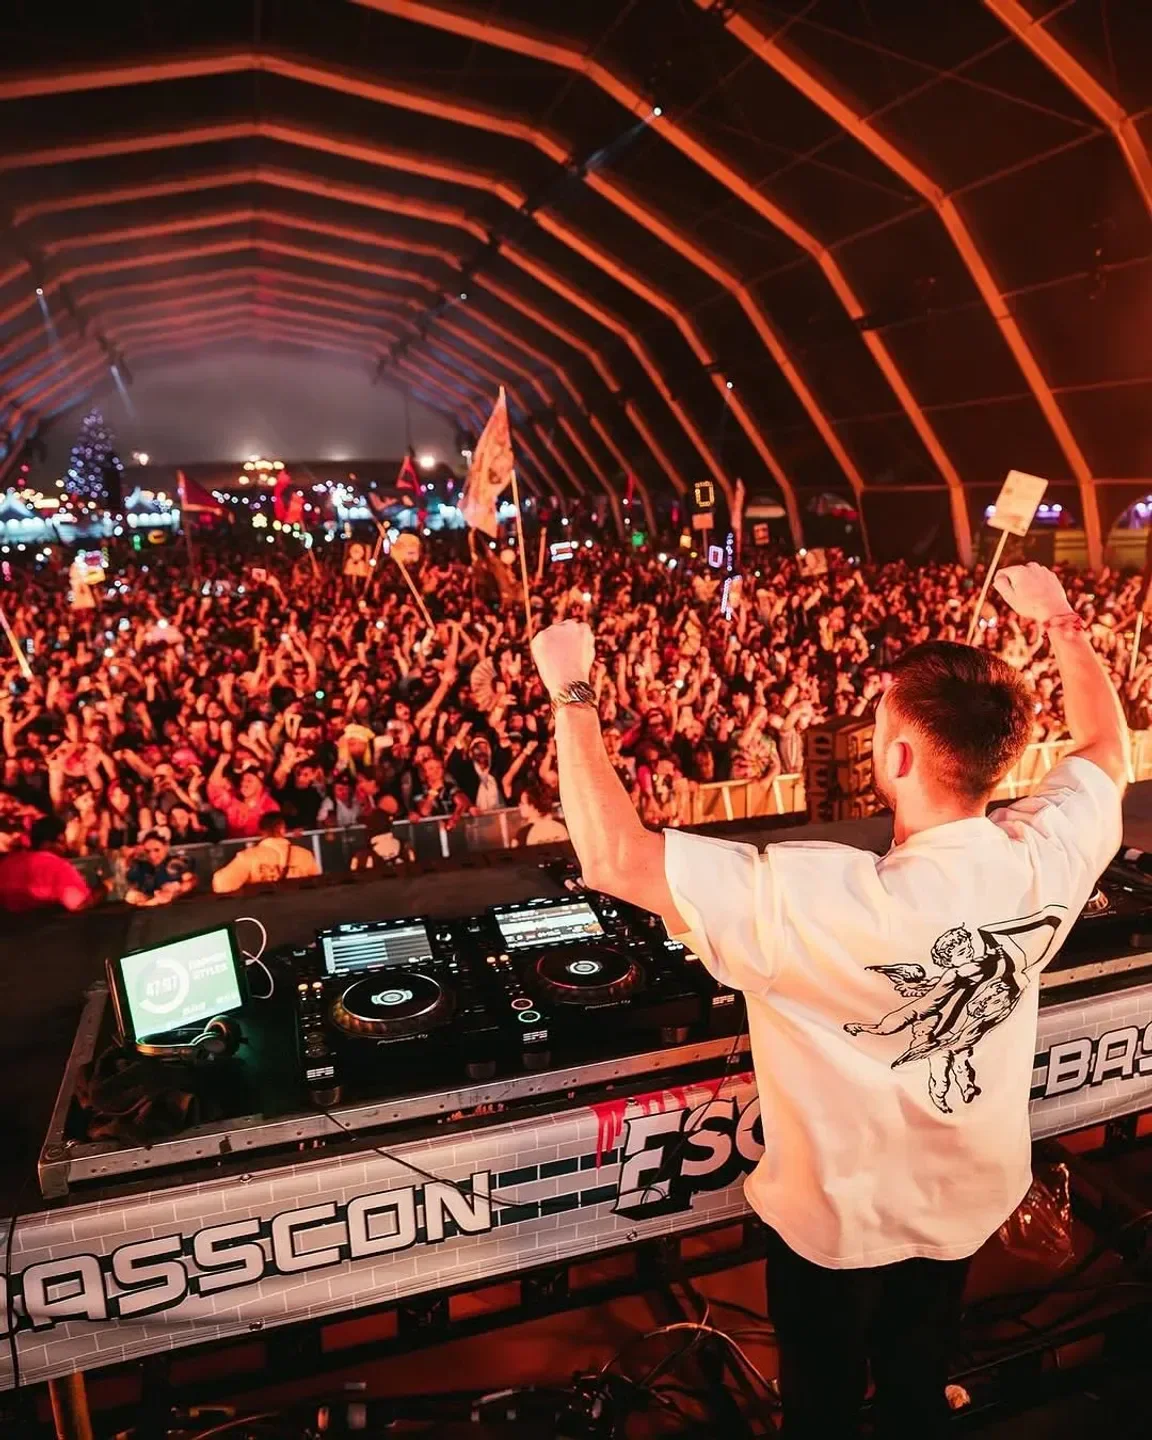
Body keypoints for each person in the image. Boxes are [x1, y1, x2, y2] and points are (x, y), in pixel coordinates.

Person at [530, 562, 1126, 1439]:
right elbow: (1107, 750)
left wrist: (570, 688)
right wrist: (1061, 620)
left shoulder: (817, 898)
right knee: (917, 1382)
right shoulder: (1048, 856)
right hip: (966, 1200)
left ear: (898, 756)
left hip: (836, 1231)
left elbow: (615, 858)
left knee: (822, 1404)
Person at [0, 815, 102, 913]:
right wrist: (105, 888)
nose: (65, 847)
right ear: (59, 838)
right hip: (48, 924)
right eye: (63, 841)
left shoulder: (6, 864)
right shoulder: (56, 865)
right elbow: (79, 905)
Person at [211, 810, 321, 892]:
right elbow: (317, 886)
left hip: (263, 912)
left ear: (261, 832)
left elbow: (221, 884)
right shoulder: (305, 856)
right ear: (282, 829)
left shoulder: (248, 857)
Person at [124, 830, 197, 907]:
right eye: (147, 851)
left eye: (157, 850)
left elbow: (192, 881)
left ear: (166, 847)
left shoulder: (175, 863)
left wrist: (177, 889)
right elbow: (129, 885)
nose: (152, 855)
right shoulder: (141, 866)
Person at [514, 780, 569, 847]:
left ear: (532, 806)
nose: (519, 806)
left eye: (522, 803)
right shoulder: (563, 826)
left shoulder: (522, 834)